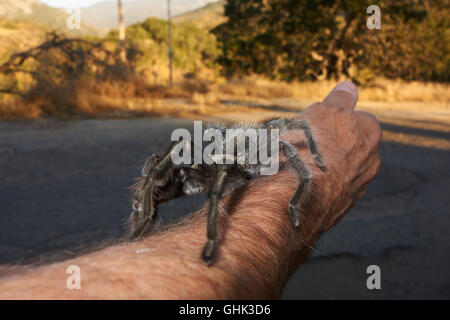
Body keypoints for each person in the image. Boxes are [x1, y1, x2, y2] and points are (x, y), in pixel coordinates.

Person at [0, 81, 382, 299]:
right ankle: (144, 225)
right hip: (197, 173)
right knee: (174, 165)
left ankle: (185, 230)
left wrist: (312, 156)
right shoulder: (202, 157)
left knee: (272, 141)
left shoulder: (263, 143)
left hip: (227, 164)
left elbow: (280, 140)